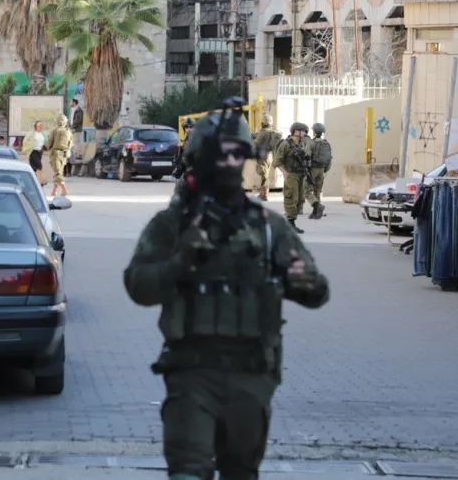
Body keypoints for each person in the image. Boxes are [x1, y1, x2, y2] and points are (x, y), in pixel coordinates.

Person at [123, 101, 330, 480]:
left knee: (241, 471)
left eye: (239, 153)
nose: (231, 162)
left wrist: (304, 283)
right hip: (192, 373)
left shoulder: (267, 227)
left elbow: (317, 291)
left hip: (251, 376)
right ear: (200, 157)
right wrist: (181, 260)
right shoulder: (173, 224)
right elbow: (138, 286)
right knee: (189, 470)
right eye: (221, 153)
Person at [274, 122, 324, 233]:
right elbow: (277, 161)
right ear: (295, 131)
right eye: (302, 131)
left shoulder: (301, 144)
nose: (304, 133)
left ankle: (292, 223)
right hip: (291, 174)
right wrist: (285, 172)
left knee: (300, 199)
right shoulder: (286, 144)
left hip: (301, 174)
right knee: (292, 198)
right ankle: (290, 223)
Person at [253, 114, 282, 202]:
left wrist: (254, 137)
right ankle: (263, 194)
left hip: (263, 155)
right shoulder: (275, 132)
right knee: (265, 174)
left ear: (263, 122)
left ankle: (264, 195)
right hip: (270, 155)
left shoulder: (263, 132)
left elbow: (256, 144)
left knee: (264, 175)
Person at [44, 114, 72, 198]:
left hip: (56, 154)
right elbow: (70, 143)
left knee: (58, 173)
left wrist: (44, 147)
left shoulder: (54, 131)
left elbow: (49, 143)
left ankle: (64, 190)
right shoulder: (68, 132)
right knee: (58, 172)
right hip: (64, 155)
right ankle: (54, 191)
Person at [309, 123, 332, 206]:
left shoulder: (311, 143)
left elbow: (307, 155)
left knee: (306, 190)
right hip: (322, 169)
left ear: (314, 132)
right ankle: (318, 208)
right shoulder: (326, 143)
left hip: (313, 169)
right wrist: (325, 169)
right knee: (317, 191)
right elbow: (329, 159)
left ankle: (314, 205)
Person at [25, 120, 47, 186]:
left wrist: (45, 147)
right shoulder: (31, 134)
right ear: (35, 127)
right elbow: (26, 141)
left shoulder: (44, 134)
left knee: (34, 168)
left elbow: (46, 142)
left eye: (41, 126)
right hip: (33, 151)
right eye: (38, 126)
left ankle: (33, 181)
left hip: (40, 152)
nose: (40, 127)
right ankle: (40, 181)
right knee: (39, 165)